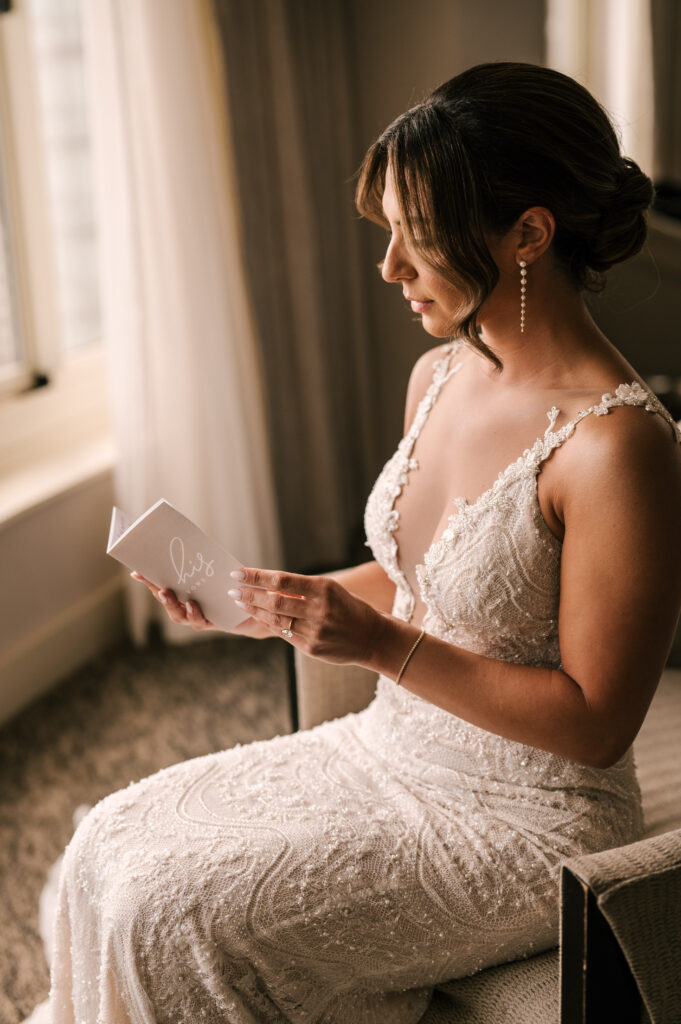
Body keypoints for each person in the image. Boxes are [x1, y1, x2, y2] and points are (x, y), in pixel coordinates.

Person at [43, 62, 681, 1023]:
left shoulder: (616, 446)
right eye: (386, 230)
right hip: (390, 748)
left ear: (529, 234)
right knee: (107, 845)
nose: (386, 267)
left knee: (173, 912)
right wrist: (270, 599)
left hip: (526, 818)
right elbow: (416, 580)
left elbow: (595, 723)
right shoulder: (438, 375)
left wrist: (378, 646)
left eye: (413, 239)